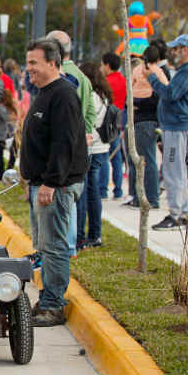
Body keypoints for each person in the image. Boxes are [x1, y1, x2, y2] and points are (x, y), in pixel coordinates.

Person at [20, 39, 87, 327]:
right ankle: (47, 298)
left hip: (56, 186)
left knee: (55, 246)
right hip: (42, 183)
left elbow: (64, 143)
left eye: (33, 62)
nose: (28, 68)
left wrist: (50, 183)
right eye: (28, 62)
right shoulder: (45, 92)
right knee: (45, 247)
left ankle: (54, 305)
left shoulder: (63, 95)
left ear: (52, 62)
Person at [145, 34, 188, 231]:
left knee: (172, 171)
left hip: (177, 126)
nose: (172, 52)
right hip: (179, 125)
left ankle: (176, 215)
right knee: (178, 170)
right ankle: (182, 213)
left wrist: (151, 78)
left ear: (185, 50)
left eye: (176, 49)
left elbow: (170, 94)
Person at [47, 30, 95, 257]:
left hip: (64, 144)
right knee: (74, 197)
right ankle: (73, 242)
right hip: (80, 144)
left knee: (62, 198)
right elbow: (90, 111)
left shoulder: (60, 77)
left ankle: (65, 246)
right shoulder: (83, 77)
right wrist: (86, 132)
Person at [76, 62, 111, 249]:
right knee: (94, 192)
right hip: (102, 148)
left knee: (84, 193)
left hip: (91, 147)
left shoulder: (90, 96)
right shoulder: (104, 96)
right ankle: (95, 234)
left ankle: (81, 236)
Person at [124, 47, 163, 209]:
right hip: (148, 120)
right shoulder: (159, 72)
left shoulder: (141, 71)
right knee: (145, 160)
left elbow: (129, 92)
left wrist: (135, 103)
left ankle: (149, 198)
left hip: (141, 120)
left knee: (142, 160)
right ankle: (143, 196)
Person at [99, 52, 126, 199]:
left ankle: (103, 190)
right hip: (118, 120)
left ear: (107, 65)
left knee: (104, 156)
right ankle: (118, 190)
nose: (101, 67)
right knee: (117, 157)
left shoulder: (105, 82)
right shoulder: (123, 80)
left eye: (102, 64)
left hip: (106, 121)